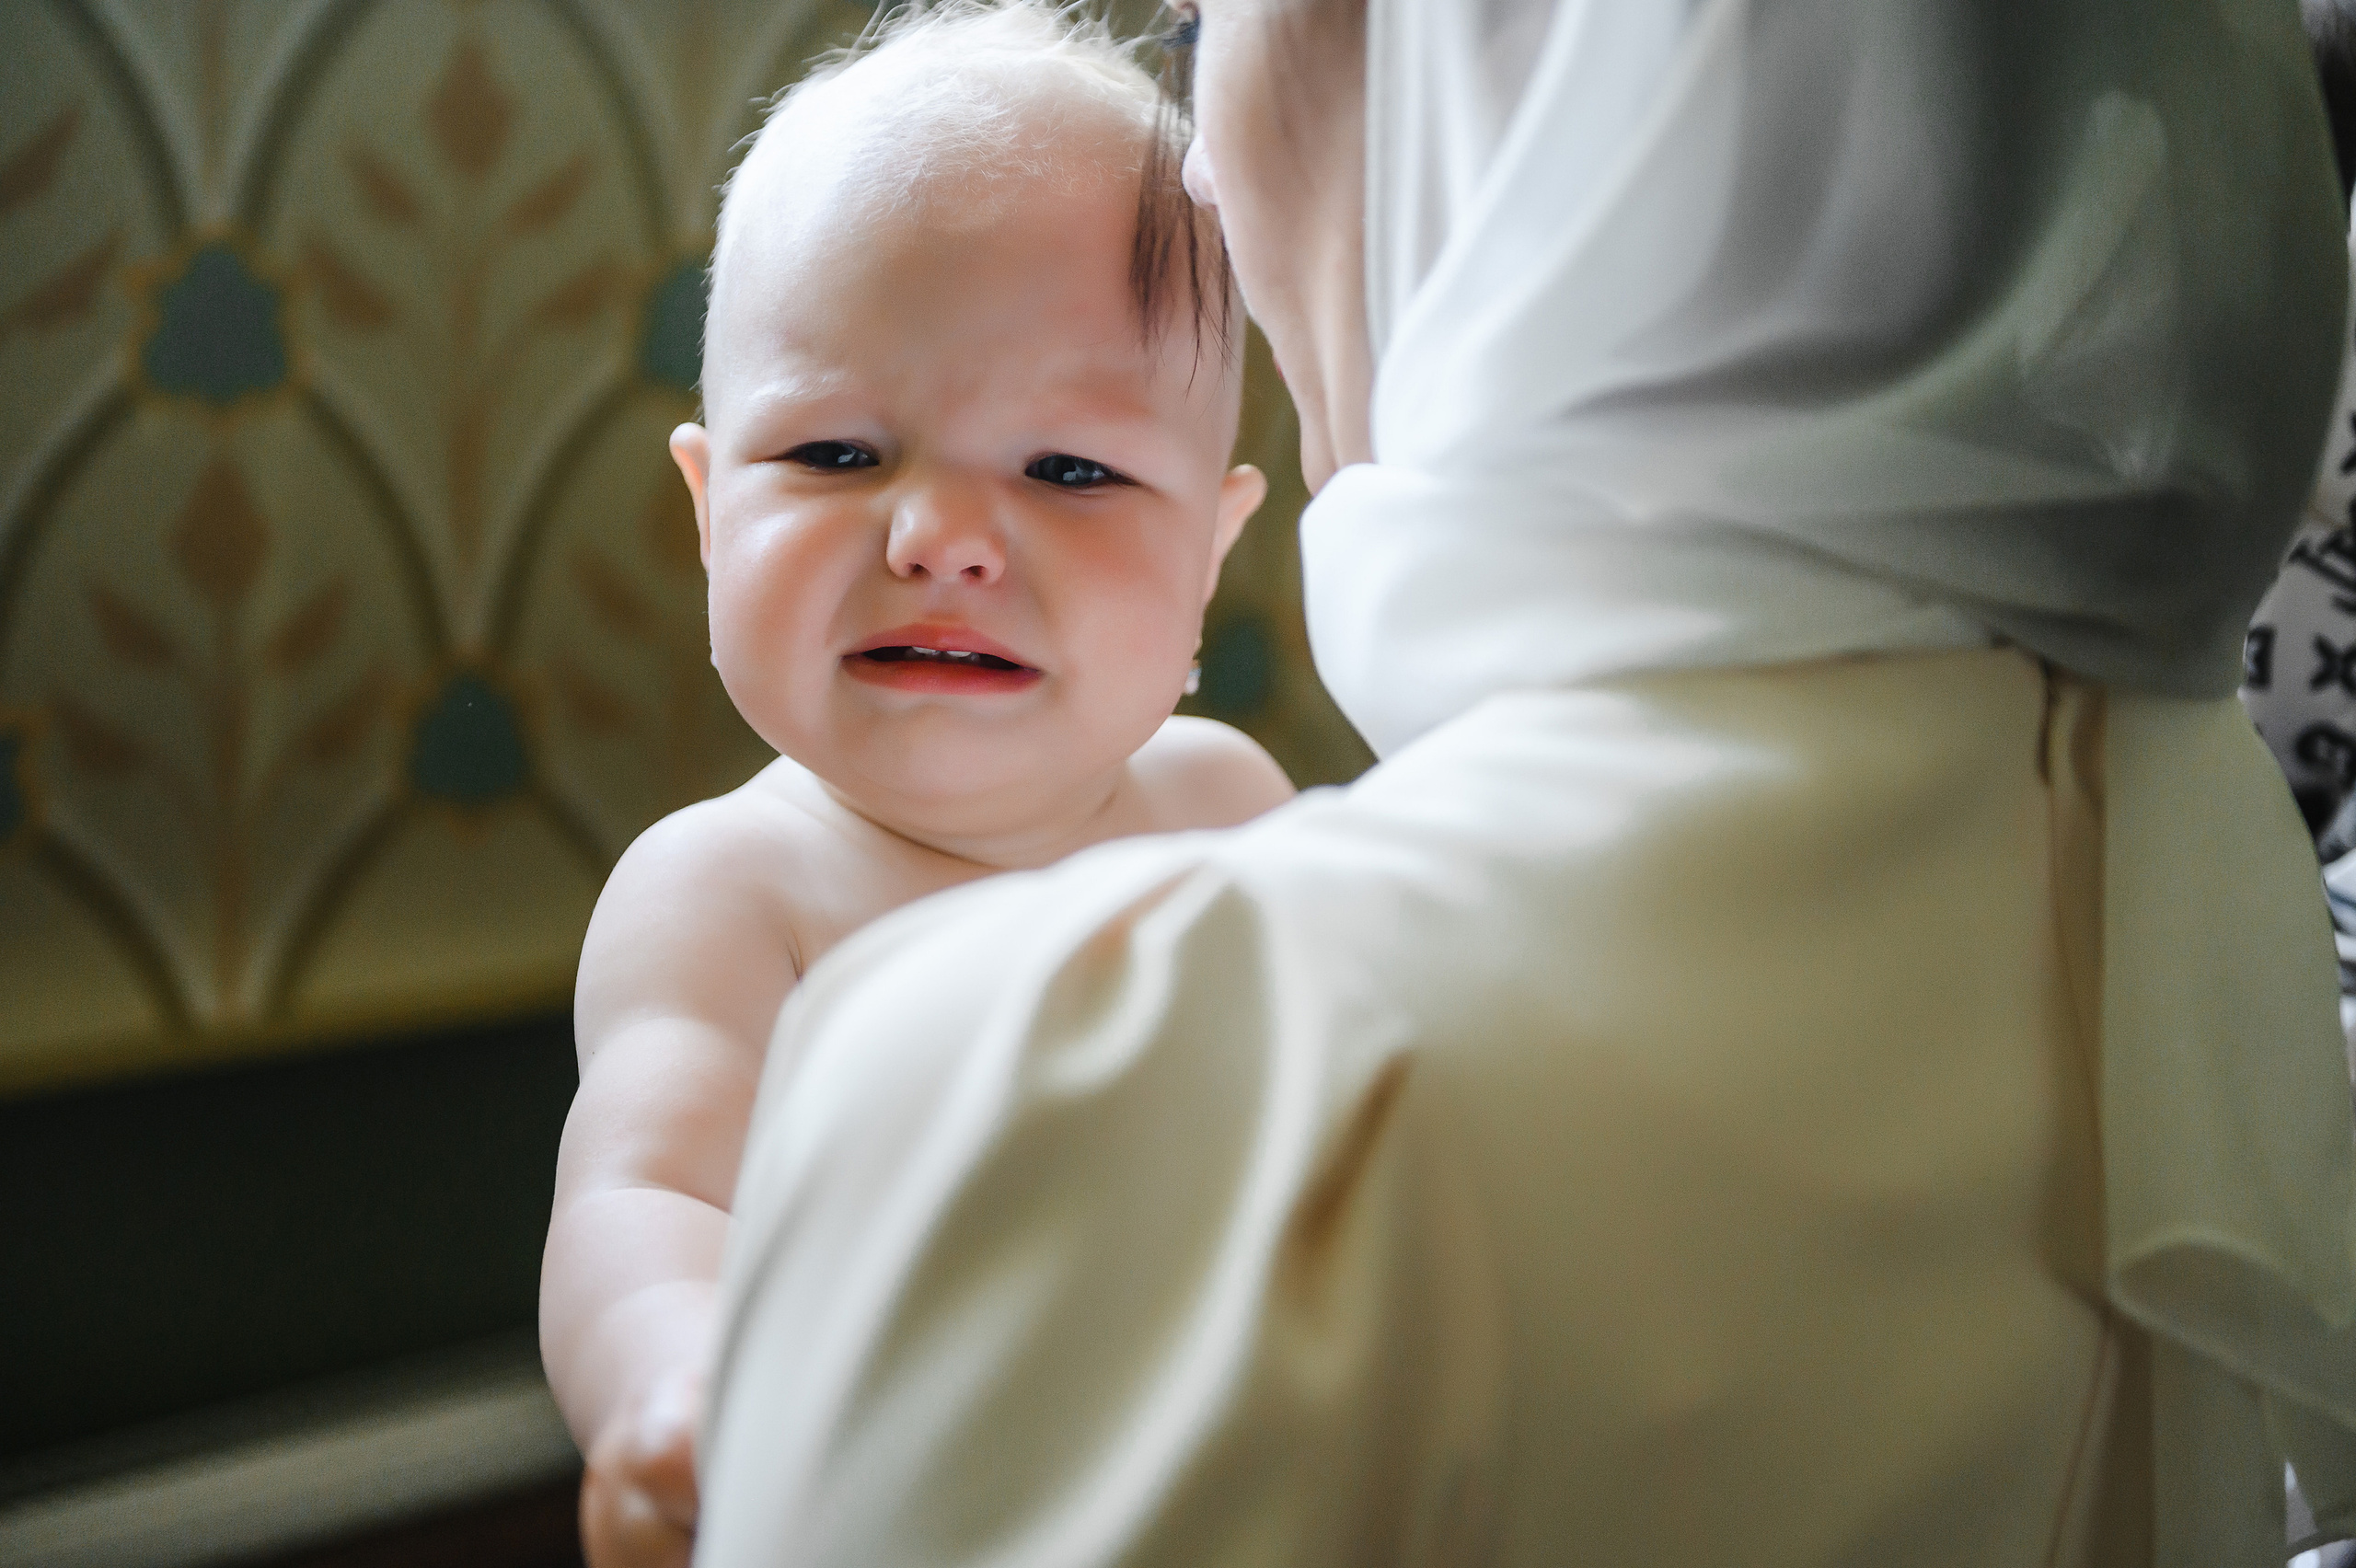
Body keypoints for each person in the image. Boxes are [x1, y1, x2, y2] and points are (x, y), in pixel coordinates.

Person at [697, 1, 2356, 1564]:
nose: (1206, 162)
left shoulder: (1094, 1092)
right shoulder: (2200, 927)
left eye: (1218, 28)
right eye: (833, 452)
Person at [534, 9, 1290, 1562]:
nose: (940, 538)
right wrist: (677, 1388)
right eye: (831, 455)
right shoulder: (733, 895)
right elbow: (650, 1204)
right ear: (705, 506)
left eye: (1070, 471)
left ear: (1211, 552)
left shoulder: (1233, 817)